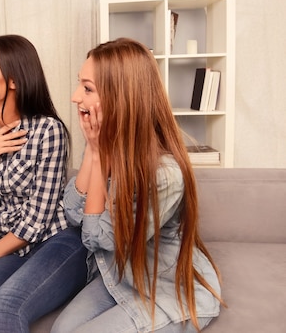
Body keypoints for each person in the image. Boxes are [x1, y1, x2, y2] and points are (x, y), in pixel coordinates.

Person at [51, 38, 224, 333]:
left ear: (120, 96)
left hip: (167, 289)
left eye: (87, 88)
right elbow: (73, 212)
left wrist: (99, 153)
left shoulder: (165, 174)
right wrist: (94, 151)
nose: (75, 96)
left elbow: (97, 238)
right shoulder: (109, 142)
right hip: (122, 276)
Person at [0, 35, 88, 333]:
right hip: (9, 244)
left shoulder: (48, 131)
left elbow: (38, 221)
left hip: (56, 239)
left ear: (13, 80)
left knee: (3, 307)